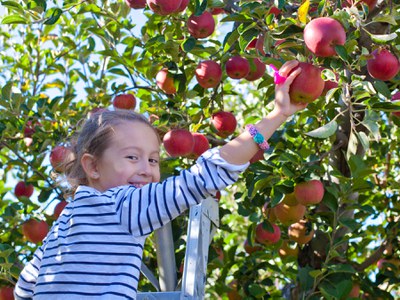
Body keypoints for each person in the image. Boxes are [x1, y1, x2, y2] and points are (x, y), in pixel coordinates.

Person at [14, 60, 306, 299]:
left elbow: (24, 288)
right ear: (93, 166)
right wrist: (276, 115)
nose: (147, 169)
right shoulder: (125, 203)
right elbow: (206, 175)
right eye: (132, 157)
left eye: (153, 160)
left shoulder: (67, 220)